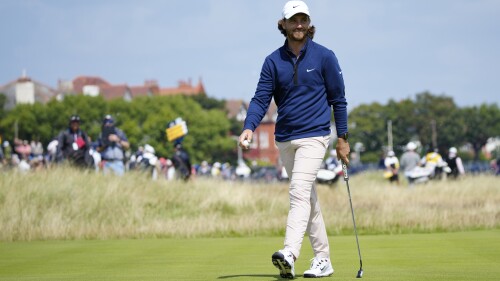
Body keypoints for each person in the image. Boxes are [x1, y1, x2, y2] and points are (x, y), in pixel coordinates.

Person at [238, 1, 349, 278]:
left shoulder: (325, 56)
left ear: (309, 24)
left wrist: (343, 138)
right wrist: (249, 127)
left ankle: (289, 253)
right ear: (283, 24)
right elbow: (260, 98)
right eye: (293, 20)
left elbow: (339, 100)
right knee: (307, 199)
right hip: (285, 138)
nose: (299, 25)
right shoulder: (273, 61)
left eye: (303, 20)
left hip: (315, 135)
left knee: (298, 192)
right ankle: (323, 259)